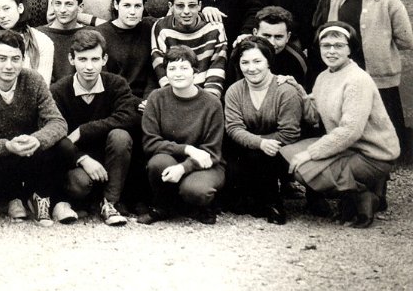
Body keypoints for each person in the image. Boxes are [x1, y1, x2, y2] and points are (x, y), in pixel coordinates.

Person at [281, 22, 399, 228]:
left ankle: (363, 196)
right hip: (348, 148)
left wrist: (310, 153)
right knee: (288, 155)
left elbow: (350, 130)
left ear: (350, 48)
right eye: (326, 45)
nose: (331, 51)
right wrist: (298, 92)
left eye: (338, 45)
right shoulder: (324, 76)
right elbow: (314, 117)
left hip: (372, 154)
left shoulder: (357, 79)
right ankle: (353, 194)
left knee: (304, 166)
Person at [0, 30, 68, 225]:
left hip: (28, 150)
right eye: (2, 58)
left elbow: (57, 122)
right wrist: (6, 146)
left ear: (23, 59)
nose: (9, 66)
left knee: (57, 147)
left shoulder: (34, 80)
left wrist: (37, 139)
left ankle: (40, 198)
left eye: (15, 59)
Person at [328, 0, 412, 155]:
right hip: (348, 70)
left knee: (384, 118)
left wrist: (380, 43)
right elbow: (331, 32)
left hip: (379, 72)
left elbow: (405, 39)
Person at [51, 29, 140, 226]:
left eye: (95, 59)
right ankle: (77, 203)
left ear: (104, 59)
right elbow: (54, 135)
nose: (89, 67)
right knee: (79, 184)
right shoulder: (59, 90)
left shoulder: (116, 84)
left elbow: (129, 116)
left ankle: (109, 203)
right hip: (76, 161)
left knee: (120, 135)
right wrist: (81, 159)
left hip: (110, 160)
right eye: (82, 59)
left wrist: (84, 130)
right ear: (71, 59)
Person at [139, 45, 225, 225]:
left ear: (195, 72)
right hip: (170, 159)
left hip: (205, 163)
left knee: (197, 191)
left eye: (184, 68)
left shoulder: (212, 103)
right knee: (158, 163)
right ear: (166, 73)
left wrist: (184, 167)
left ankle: (198, 207)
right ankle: (162, 206)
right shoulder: (156, 98)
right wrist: (187, 149)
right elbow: (150, 143)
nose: (178, 73)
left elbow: (212, 151)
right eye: (172, 68)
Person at [223, 36, 303, 224]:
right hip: (248, 146)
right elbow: (233, 127)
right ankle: (248, 197)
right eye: (245, 62)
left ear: (268, 62)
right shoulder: (234, 91)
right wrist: (259, 142)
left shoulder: (285, 90)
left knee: (262, 158)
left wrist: (264, 144)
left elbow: (290, 133)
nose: (251, 68)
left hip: (280, 149)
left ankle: (273, 203)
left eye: (257, 61)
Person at [151, 0, 229, 98]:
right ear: (171, 6)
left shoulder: (215, 27)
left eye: (192, 6)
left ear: (200, 6)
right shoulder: (161, 28)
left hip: (206, 98)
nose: (186, 11)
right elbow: (162, 72)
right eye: (180, 6)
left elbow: (216, 71)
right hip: (173, 97)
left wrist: (206, 103)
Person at [0, 0, 55, 85]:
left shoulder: (42, 41)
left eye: (6, 8)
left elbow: (42, 85)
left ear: (20, 8)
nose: (2, 15)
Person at [97, 0, 157, 101]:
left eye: (137, 6)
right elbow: (104, 80)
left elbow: (153, 73)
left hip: (148, 101)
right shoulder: (101, 34)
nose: (132, 12)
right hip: (115, 102)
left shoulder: (151, 27)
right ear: (116, 5)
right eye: (127, 5)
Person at [249, 6, 308, 86]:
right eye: (266, 36)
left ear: (288, 37)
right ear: (255, 33)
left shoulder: (297, 60)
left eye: (278, 37)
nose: (272, 43)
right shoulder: (242, 54)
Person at [39, 0, 86, 83]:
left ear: (80, 7)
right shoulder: (39, 35)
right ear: (52, 5)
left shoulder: (90, 34)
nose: (62, 10)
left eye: (69, 4)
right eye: (58, 3)